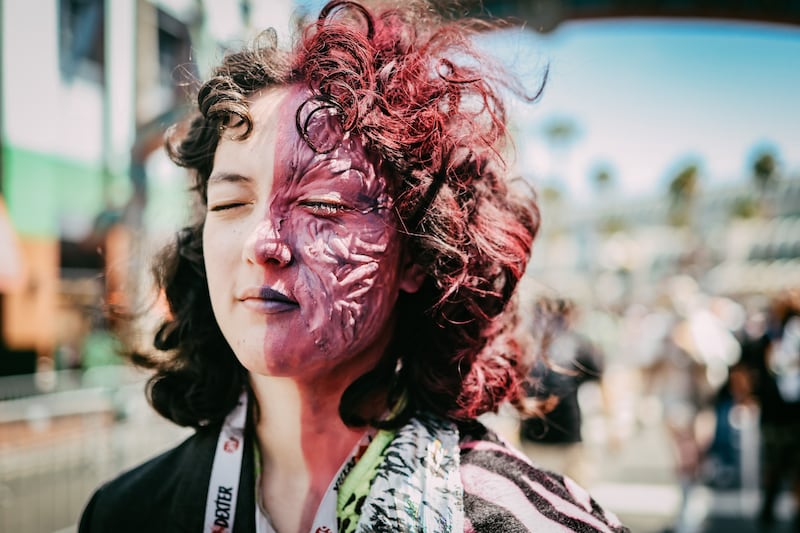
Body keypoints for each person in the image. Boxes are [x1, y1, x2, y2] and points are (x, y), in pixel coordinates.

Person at [79, 1, 628, 531]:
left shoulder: (529, 523)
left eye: (323, 206)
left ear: (417, 257)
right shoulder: (125, 514)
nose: (260, 242)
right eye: (228, 205)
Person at [519, 297, 606, 487]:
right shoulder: (526, 344)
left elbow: (601, 379)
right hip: (543, 434)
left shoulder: (577, 343)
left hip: (559, 433)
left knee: (553, 492)